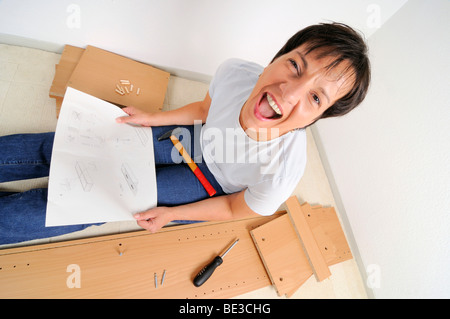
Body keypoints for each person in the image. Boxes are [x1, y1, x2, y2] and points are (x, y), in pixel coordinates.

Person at [0, 22, 370, 244]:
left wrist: (171, 215)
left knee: (96, 197)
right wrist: (152, 118)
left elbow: (231, 207)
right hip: (194, 138)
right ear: (275, 57)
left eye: (315, 97)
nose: (289, 93)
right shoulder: (236, 73)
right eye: (294, 65)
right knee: (77, 143)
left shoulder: (285, 167)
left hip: (213, 184)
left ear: (317, 118)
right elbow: (204, 111)